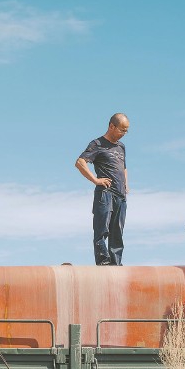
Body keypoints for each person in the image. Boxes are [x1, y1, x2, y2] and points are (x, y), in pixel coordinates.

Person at [75, 113, 130, 265]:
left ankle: (116, 263)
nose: (124, 134)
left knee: (117, 232)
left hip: (120, 195)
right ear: (112, 126)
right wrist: (95, 180)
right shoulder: (97, 144)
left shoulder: (121, 147)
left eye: (126, 131)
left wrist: (126, 184)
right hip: (105, 193)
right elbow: (80, 162)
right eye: (122, 130)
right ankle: (103, 262)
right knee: (102, 229)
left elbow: (123, 167)